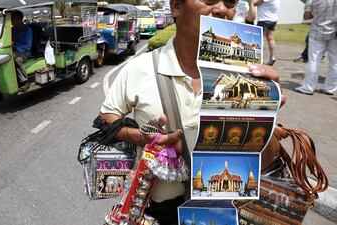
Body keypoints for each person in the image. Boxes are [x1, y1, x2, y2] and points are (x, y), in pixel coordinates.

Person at [99, 0, 285, 224]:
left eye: (230, 2)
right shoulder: (139, 68)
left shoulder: (246, 78)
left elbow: (266, 160)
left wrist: (266, 114)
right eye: (209, 0)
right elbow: (107, 118)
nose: (221, 9)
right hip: (153, 213)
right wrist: (140, 137)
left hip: (221, 214)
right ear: (176, 6)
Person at [295, 0, 337, 95]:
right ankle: (330, 88)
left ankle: (308, 87)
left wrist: (317, 13)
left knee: (314, 60)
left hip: (317, 32)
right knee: (335, 62)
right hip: (335, 33)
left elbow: (306, 17)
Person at [11, 10, 33, 91]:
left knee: (16, 59)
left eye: (13, 19)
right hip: (13, 50)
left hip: (25, 52)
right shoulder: (11, 30)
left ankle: (25, 81)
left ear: (19, 19)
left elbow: (27, 46)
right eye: (11, 19)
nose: (12, 21)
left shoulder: (27, 30)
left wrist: (15, 45)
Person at [254, 0, 280, 66]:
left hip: (264, 20)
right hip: (273, 19)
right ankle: (272, 56)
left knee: (260, 39)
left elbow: (255, 3)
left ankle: (260, 59)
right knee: (270, 38)